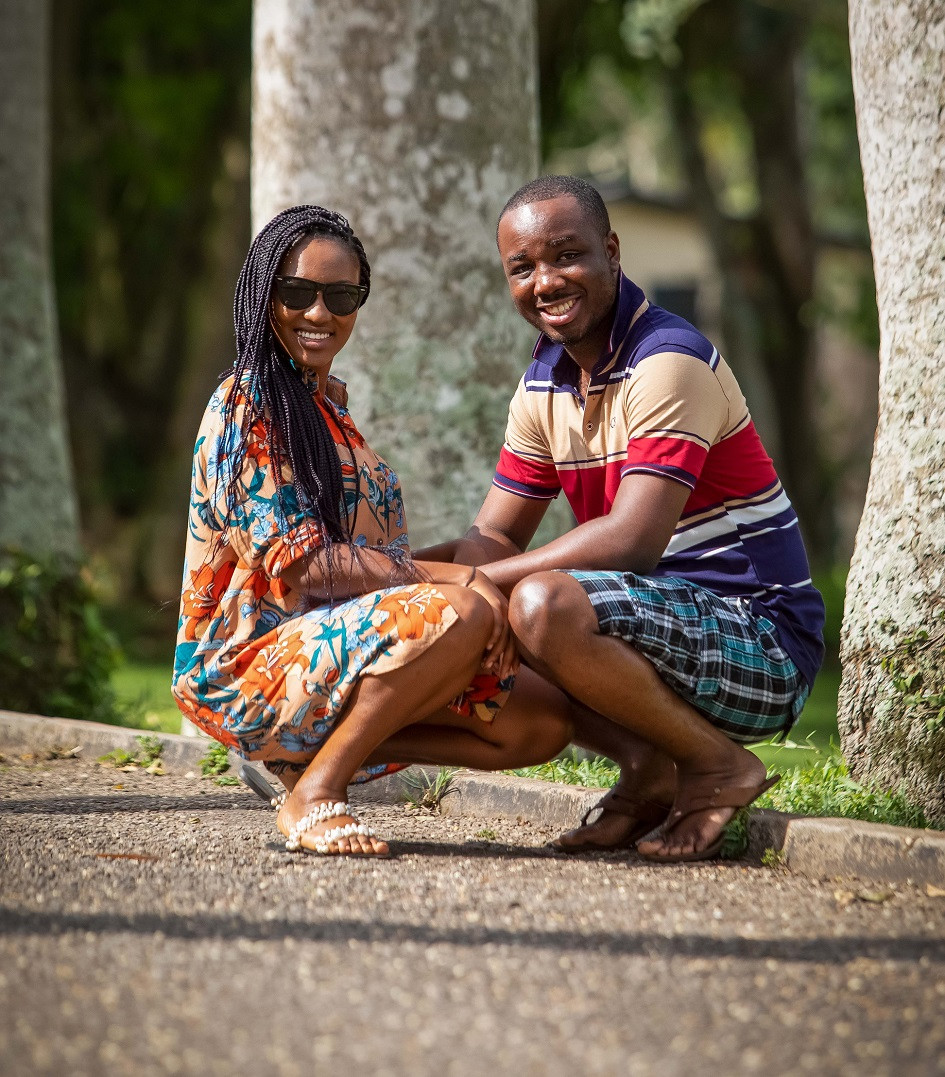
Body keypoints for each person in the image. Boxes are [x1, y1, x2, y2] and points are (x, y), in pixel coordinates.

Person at [422, 175, 825, 863]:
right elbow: (494, 537)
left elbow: (633, 540)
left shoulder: (667, 361)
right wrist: (392, 578)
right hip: (664, 629)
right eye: (522, 267)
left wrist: (472, 582)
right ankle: (648, 771)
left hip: (761, 642)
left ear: (610, 251)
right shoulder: (544, 381)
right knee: (483, 610)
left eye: (566, 256)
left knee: (539, 604)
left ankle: (718, 764)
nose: (545, 281)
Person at [172, 204, 570, 857]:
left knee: (541, 722)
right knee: (464, 609)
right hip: (246, 667)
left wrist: (475, 568)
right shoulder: (249, 403)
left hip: (336, 648)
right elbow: (308, 567)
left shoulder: (328, 410)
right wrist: (462, 581)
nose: (319, 312)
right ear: (264, 295)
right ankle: (315, 793)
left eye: (340, 296)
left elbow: (366, 561)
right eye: (296, 292)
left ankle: (315, 755)